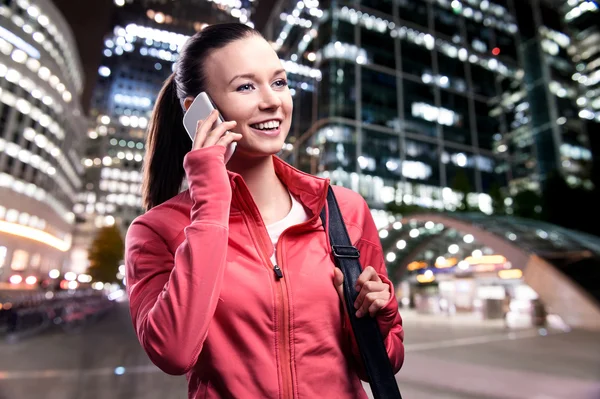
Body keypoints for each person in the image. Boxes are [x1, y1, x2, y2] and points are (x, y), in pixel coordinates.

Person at [125, 23, 404, 399]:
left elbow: (384, 363)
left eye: (279, 82)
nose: (273, 101)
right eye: (245, 86)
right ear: (198, 111)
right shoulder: (156, 230)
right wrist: (209, 201)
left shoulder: (343, 210)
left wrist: (380, 317)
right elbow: (173, 352)